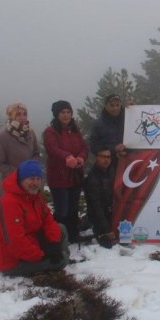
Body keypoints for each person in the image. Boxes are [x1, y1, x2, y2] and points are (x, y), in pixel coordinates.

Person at [0, 160, 69, 276]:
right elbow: (15, 243)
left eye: (38, 179)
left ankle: (58, 257)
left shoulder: (34, 196)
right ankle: (59, 261)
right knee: (63, 259)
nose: (35, 183)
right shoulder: (10, 202)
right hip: (12, 261)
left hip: (30, 244)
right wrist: (42, 255)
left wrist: (54, 244)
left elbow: (48, 220)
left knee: (60, 229)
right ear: (21, 180)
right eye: (31, 178)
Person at [43, 100, 89, 242]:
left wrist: (81, 157)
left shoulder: (75, 130)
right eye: (63, 112)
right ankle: (58, 236)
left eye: (68, 112)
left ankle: (73, 235)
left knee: (73, 208)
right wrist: (67, 157)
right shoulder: (50, 132)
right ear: (57, 114)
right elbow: (53, 149)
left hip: (75, 175)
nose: (66, 115)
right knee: (62, 210)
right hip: (59, 177)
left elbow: (84, 147)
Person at [0, 102, 40, 181]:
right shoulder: (2, 136)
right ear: (11, 116)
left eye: (24, 114)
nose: (22, 117)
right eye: (18, 114)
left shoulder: (31, 132)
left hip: (31, 182)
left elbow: (36, 153)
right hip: (12, 183)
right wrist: (20, 172)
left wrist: (32, 166)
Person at [83, 147, 117, 249]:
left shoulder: (111, 172)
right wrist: (107, 229)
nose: (106, 160)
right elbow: (96, 206)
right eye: (103, 157)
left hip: (110, 212)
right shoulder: (92, 178)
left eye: (108, 157)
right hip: (97, 215)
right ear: (96, 158)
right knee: (108, 243)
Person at [89, 94, 125, 159]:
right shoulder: (98, 124)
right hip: (108, 163)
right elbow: (93, 146)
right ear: (105, 106)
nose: (115, 108)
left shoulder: (128, 119)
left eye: (117, 105)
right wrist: (114, 149)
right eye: (112, 105)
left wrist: (133, 110)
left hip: (128, 160)